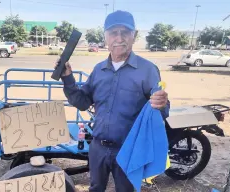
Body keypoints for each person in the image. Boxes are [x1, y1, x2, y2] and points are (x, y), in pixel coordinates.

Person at [56, 10, 170, 192]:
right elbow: (83, 102)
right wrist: (68, 78)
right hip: (98, 148)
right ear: (105, 37)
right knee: (95, 188)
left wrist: (162, 103)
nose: (119, 38)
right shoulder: (98, 70)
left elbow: (161, 110)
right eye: (113, 33)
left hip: (129, 150)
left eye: (125, 32)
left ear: (135, 36)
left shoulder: (148, 70)